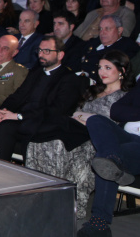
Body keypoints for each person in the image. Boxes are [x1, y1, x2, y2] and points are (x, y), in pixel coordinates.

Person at [25, 50, 133, 221]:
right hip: (75, 131)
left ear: (122, 71)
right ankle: (39, 198)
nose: (101, 72)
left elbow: (110, 124)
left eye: (107, 67)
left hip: (97, 141)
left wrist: (85, 118)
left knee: (57, 144)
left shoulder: (125, 98)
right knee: (39, 141)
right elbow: (76, 113)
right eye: (100, 67)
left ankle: (60, 203)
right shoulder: (93, 90)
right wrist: (84, 118)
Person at [0, 36, 86, 162]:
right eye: (39, 50)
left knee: (7, 126)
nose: (41, 54)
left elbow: (57, 110)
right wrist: (3, 111)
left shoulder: (69, 78)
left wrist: (19, 116)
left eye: (46, 51)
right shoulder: (36, 72)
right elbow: (18, 96)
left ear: (60, 55)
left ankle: (0, 168)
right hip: (21, 118)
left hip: (41, 122)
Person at [77, 83, 140, 236]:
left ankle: (99, 223)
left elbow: (123, 111)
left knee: (106, 157)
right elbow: (116, 111)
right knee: (95, 120)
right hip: (126, 137)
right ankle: (113, 159)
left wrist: (132, 112)